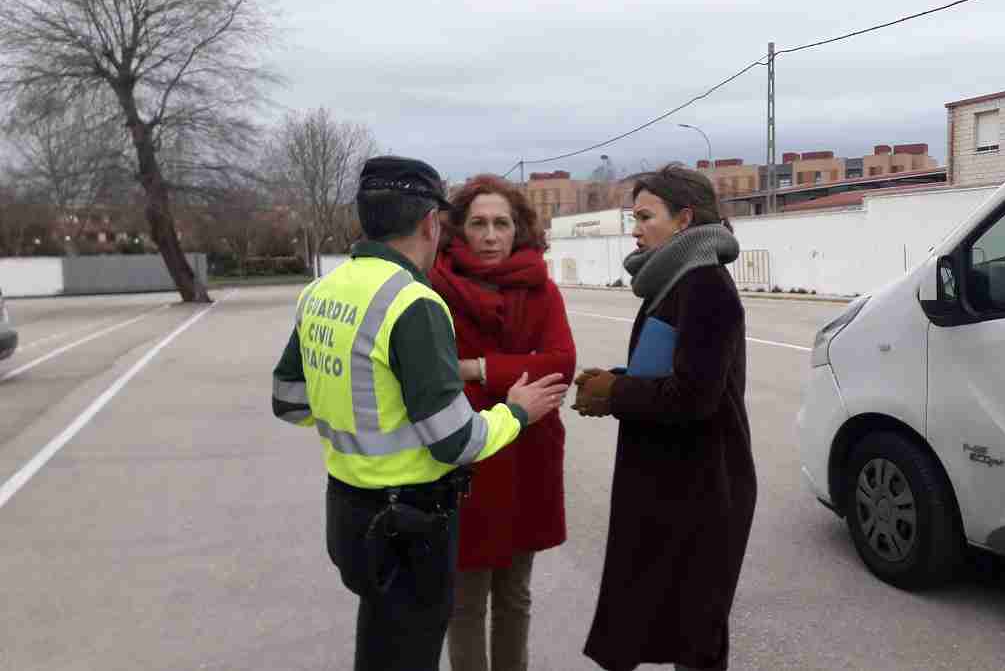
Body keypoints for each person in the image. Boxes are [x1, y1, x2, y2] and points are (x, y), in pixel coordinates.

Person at [270, 156, 569, 671]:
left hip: (347, 508)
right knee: (412, 645)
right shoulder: (413, 301)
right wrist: (516, 411)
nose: (491, 235)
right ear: (434, 223)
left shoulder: (320, 291)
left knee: (382, 643)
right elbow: (454, 440)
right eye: (475, 222)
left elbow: (290, 401)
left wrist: (363, 418)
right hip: (410, 515)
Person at [572, 164, 757, 671]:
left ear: (684, 220)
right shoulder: (674, 280)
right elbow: (669, 370)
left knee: (697, 637)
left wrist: (617, 393)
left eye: (644, 216)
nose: (634, 228)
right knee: (670, 623)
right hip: (672, 482)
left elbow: (695, 396)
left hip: (705, 489)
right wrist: (616, 380)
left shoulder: (706, 287)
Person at [429, 174, 577, 671]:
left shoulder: (542, 289)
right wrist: (515, 371)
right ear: (459, 231)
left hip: (527, 461)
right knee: (465, 602)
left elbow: (560, 366)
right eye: (479, 224)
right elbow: (436, 379)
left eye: (501, 223)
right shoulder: (435, 288)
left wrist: (478, 368)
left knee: (515, 595)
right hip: (467, 461)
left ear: (519, 230)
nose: (491, 235)